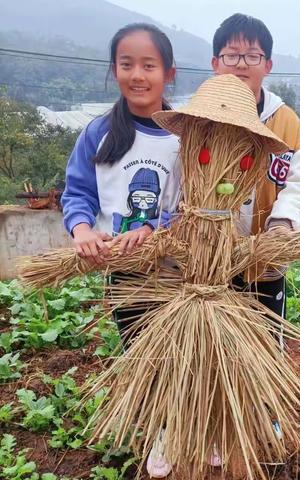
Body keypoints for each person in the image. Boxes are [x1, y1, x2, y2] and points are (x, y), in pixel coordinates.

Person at [61, 23, 180, 478]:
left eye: (148, 65)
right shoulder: (98, 133)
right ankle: (164, 429)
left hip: (173, 269)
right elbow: (77, 193)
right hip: (123, 272)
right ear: (114, 71)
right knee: (142, 353)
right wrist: (82, 229)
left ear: (167, 73)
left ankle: (190, 423)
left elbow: (189, 205)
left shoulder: (181, 137)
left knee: (180, 352)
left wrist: (153, 226)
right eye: (126, 64)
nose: (137, 75)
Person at [212, 13, 300, 321]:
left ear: (267, 65)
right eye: (231, 55)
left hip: (266, 265)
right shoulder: (199, 121)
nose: (241, 64)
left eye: (252, 55)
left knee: (267, 347)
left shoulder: (284, 121)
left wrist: (283, 222)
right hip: (212, 266)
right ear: (215, 63)